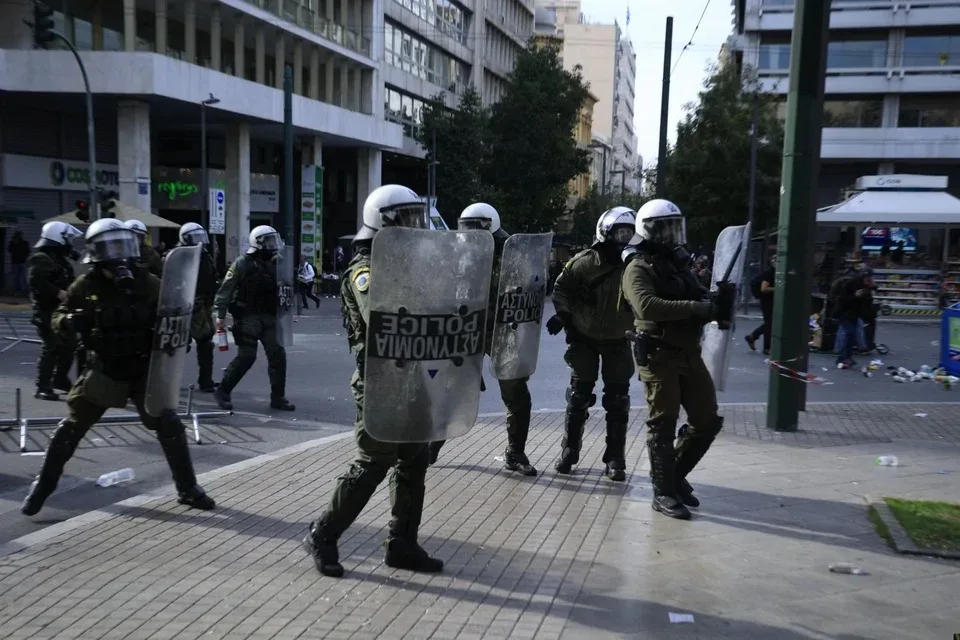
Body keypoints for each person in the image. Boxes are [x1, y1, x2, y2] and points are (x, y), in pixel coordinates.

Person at [21, 219, 215, 516]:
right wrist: (69, 322)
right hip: (104, 370)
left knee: (168, 424)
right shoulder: (85, 285)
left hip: (142, 372)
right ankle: (43, 486)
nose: (118, 254)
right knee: (72, 428)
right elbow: (58, 316)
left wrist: (179, 331)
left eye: (123, 245)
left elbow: (174, 311)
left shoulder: (148, 282)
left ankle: (187, 488)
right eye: (110, 247)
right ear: (95, 253)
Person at [304, 184, 444, 578]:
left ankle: (402, 543)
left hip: (413, 375)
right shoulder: (365, 270)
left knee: (414, 459)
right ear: (384, 223)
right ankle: (323, 533)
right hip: (381, 381)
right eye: (409, 219)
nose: (417, 227)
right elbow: (385, 318)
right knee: (374, 462)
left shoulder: (406, 265)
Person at [620, 199, 732, 520]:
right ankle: (663, 492)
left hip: (687, 351)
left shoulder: (677, 263)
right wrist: (697, 309)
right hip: (658, 353)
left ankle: (675, 475)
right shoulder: (637, 266)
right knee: (663, 422)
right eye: (664, 228)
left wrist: (715, 300)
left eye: (674, 227)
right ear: (648, 231)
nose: (671, 235)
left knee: (707, 418)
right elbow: (647, 306)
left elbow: (696, 294)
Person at [429, 203, 537, 476]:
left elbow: (532, 285)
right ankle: (431, 445)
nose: (471, 232)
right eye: (468, 227)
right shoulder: (457, 254)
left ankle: (515, 452)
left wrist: (519, 290)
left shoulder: (512, 253)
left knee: (516, 393)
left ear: (490, 225)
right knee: (451, 390)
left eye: (476, 226)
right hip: (467, 329)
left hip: (503, 330)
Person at [547, 207, 637, 482]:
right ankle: (569, 451)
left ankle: (615, 458)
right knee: (578, 397)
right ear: (605, 233)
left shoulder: (636, 265)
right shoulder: (584, 263)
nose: (624, 239)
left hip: (618, 340)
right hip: (584, 338)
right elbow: (561, 289)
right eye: (620, 233)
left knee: (618, 401)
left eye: (629, 233)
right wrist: (563, 314)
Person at [212, 225, 295, 411]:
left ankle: (278, 397)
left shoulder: (277, 263)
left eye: (274, 240)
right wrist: (221, 315)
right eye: (268, 241)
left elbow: (286, 286)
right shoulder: (242, 263)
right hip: (248, 316)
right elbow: (226, 290)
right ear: (257, 243)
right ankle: (223, 391)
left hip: (269, 317)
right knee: (247, 356)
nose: (273, 245)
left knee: (278, 356)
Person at [28, 222, 83, 400]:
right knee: (51, 347)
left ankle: (59, 379)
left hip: (61, 311)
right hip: (46, 311)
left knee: (70, 345)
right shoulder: (41, 258)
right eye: (67, 239)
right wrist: (58, 292)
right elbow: (36, 281)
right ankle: (42, 386)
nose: (70, 243)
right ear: (58, 238)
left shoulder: (60, 260)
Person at [173, 222, 220, 392]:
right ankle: (167, 382)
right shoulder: (178, 256)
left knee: (206, 344)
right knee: (178, 347)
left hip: (203, 305)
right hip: (185, 306)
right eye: (196, 238)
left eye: (201, 237)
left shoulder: (203, 255)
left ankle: (205, 381)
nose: (200, 242)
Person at [832, 267, 875, 368]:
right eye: (866, 277)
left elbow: (866, 302)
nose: (868, 279)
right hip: (843, 312)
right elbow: (842, 300)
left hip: (855, 314)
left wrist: (871, 290)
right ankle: (842, 357)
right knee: (849, 332)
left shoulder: (866, 286)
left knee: (851, 335)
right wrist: (855, 296)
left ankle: (846, 357)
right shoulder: (850, 284)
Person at [745, 256, 776, 355]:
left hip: (770, 301)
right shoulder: (769, 273)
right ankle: (766, 348)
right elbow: (764, 289)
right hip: (767, 301)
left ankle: (753, 336)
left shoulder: (775, 273)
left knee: (770, 323)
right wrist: (778, 288)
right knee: (769, 324)